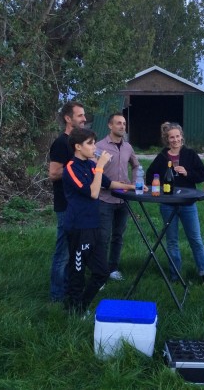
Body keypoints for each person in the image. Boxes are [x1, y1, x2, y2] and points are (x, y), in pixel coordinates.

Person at [62, 127, 137, 315]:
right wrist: (101, 165)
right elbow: (93, 192)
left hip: (93, 226)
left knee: (102, 272)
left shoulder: (90, 165)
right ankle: (74, 309)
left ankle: (82, 306)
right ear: (78, 147)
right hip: (78, 228)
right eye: (90, 143)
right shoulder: (71, 168)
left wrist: (133, 187)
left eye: (94, 143)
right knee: (77, 272)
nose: (94, 147)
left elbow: (108, 183)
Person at [146, 122, 204, 285]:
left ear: (181, 137)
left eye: (177, 136)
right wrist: (161, 181)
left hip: (187, 203)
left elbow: (203, 174)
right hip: (167, 203)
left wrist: (187, 173)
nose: (175, 140)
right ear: (167, 139)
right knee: (172, 241)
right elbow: (149, 176)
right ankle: (175, 276)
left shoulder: (190, 154)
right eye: (171, 137)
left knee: (195, 239)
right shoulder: (162, 156)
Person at [48, 101, 87, 302]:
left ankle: (70, 290)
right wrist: (77, 169)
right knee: (63, 253)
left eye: (84, 115)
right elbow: (54, 173)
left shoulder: (77, 144)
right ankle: (57, 296)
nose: (84, 119)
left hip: (79, 205)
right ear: (68, 118)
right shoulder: (61, 143)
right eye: (80, 115)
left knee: (75, 253)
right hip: (66, 205)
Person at [96, 113, 140, 281]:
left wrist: (135, 182)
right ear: (110, 126)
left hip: (124, 199)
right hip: (105, 199)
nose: (122, 126)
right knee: (103, 237)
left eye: (124, 123)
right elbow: (94, 171)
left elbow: (136, 165)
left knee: (118, 236)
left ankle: (113, 268)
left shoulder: (128, 147)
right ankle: (100, 272)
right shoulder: (99, 146)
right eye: (118, 123)